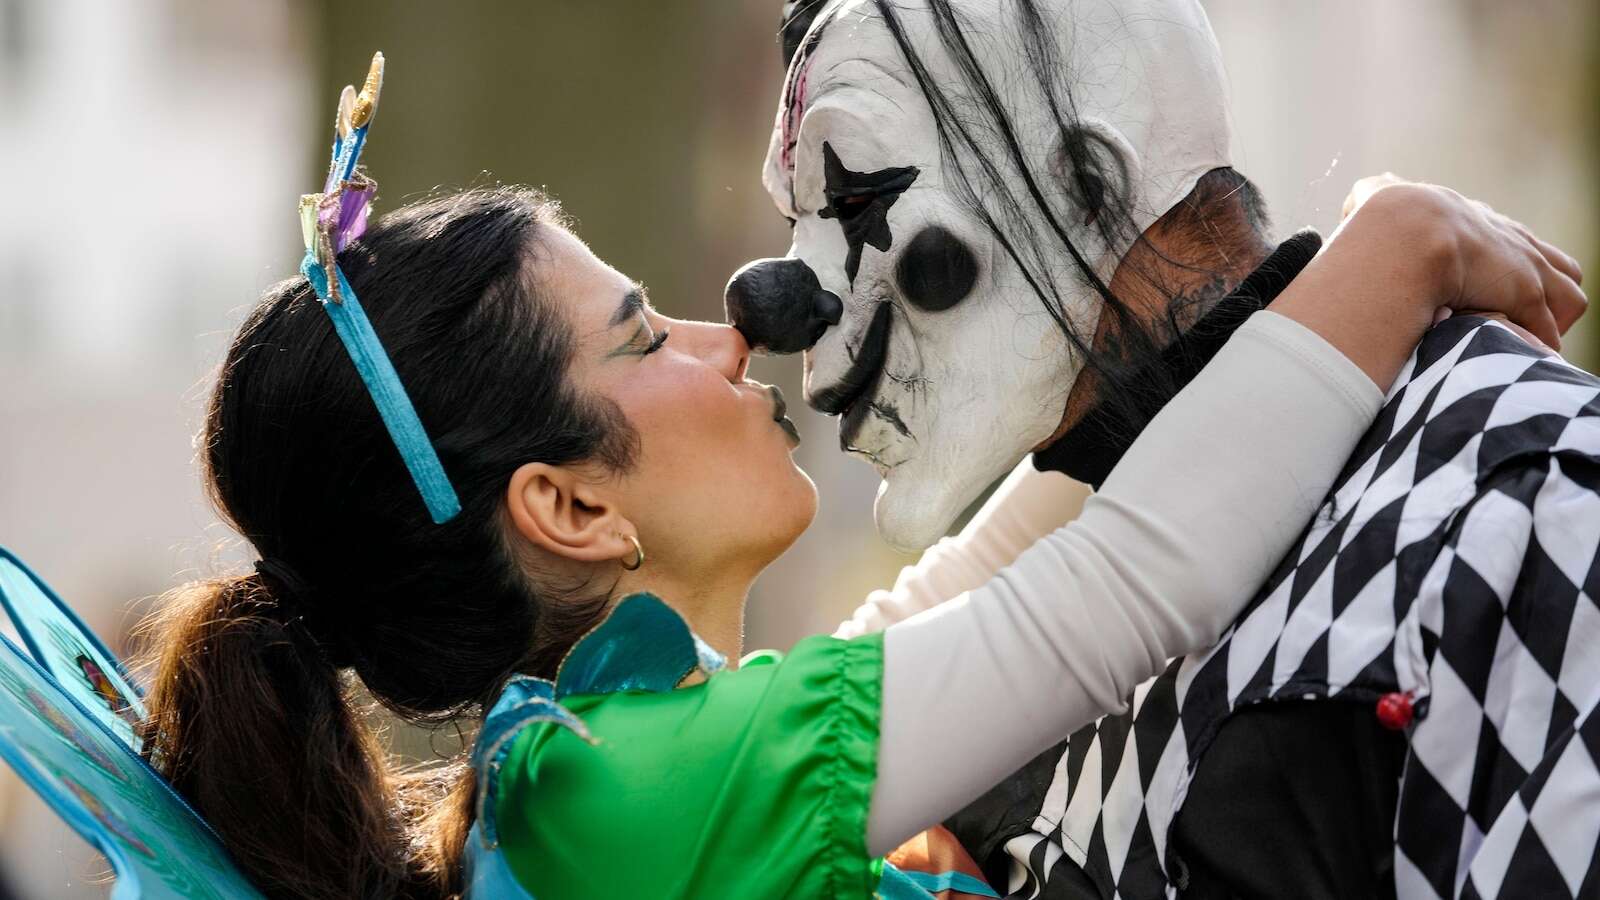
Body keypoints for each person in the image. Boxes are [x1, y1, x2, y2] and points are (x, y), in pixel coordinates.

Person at [133, 58, 1583, 900]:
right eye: (645, 338)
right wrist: (1397, 246)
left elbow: (973, 600)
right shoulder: (630, 795)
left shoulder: (601, 782)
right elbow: (1122, 591)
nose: (731, 335)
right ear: (571, 507)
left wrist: (1255, 317)